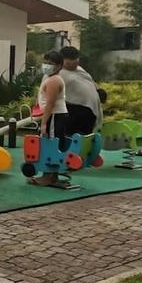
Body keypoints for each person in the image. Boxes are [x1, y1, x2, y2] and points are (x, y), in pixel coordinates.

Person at [29, 50, 68, 186]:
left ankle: (49, 177)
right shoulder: (49, 78)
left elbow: (50, 104)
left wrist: (44, 123)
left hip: (54, 116)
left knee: (51, 145)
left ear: (59, 66)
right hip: (54, 115)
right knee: (50, 144)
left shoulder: (54, 80)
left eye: (50, 63)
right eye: (45, 62)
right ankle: (49, 175)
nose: (46, 65)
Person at [59, 46, 103, 135]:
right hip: (71, 110)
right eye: (70, 61)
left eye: (76, 60)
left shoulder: (80, 70)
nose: (74, 63)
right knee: (75, 137)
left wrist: (98, 90)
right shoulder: (58, 72)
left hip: (89, 110)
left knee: (87, 137)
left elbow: (89, 81)